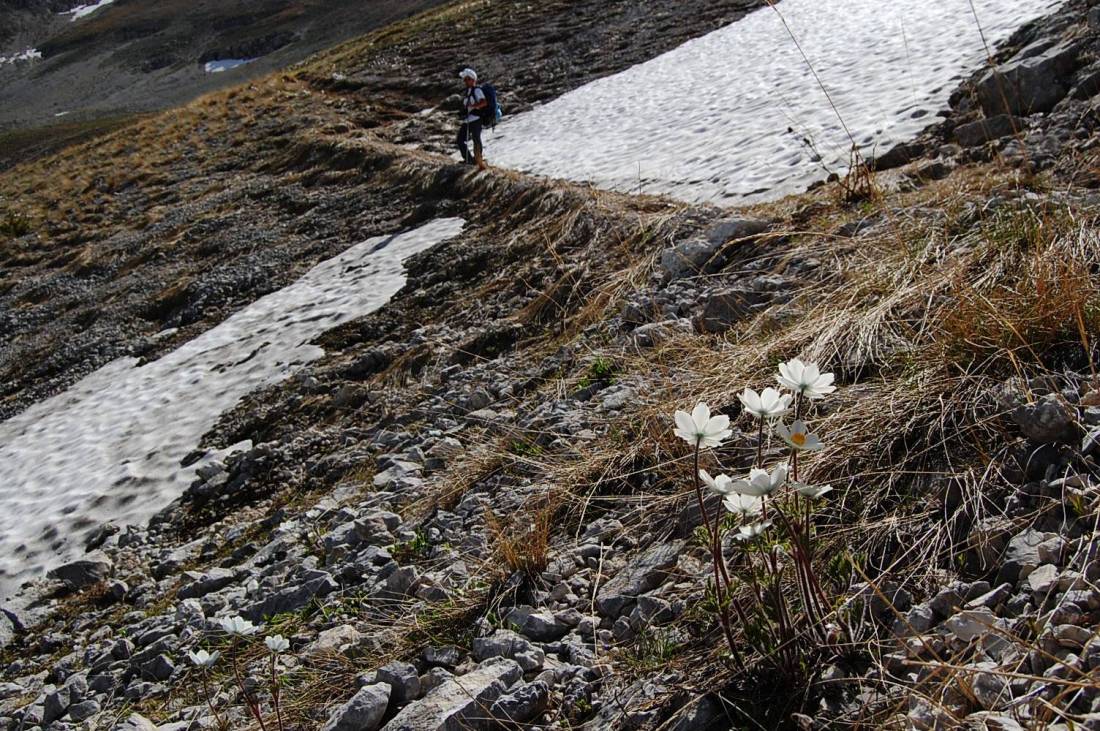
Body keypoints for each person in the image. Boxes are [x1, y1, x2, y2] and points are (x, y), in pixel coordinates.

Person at [456, 68, 488, 169]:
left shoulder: (477, 90)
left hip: (476, 119)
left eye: (467, 79)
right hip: (468, 120)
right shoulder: (468, 92)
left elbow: (484, 102)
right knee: (460, 139)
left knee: (476, 139)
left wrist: (472, 107)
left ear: (473, 79)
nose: (465, 81)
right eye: (465, 79)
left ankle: (478, 160)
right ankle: (469, 160)